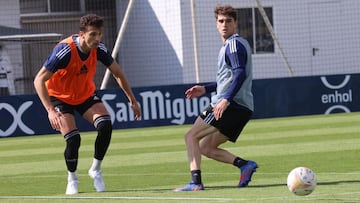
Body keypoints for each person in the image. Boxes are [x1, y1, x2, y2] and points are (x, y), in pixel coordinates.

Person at [33, 14, 141, 195]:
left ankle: (96, 169)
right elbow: (39, 79)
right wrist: (50, 110)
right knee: (74, 139)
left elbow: (118, 73)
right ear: (81, 34)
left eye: (99, 34)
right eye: (92, 34)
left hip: (85, 95)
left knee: (105, 125)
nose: (97, 38)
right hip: (60, 97)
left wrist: (132, 99)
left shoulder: (99, 49)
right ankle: (72, 178)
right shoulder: (65, 50)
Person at [174, 5, 257, 192]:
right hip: (242, 108)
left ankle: (195, 182)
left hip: (231, 105)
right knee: (206, 147)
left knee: (190, 136)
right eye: (221, 21)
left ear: (235, 23)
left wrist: (225, 100)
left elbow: (240, 74)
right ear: (216, 24)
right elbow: (228, 78)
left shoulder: (234, 45)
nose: (224, 24)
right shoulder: (233, 45)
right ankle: (245, 165)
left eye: (228, 21)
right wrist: (205, 88)